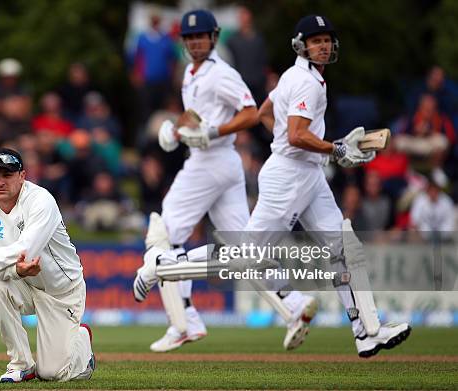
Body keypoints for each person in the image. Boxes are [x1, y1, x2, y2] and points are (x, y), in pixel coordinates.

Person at [137, 14, 411, 358]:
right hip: (291, 175)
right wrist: (335, 148)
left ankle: (367, 331)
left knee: (342, 247)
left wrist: (296, 142)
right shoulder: (307, 83)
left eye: (327, 40)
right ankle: (162, 266)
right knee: (245, 255)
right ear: (302, 45)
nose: (323, 46)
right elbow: (296, 136)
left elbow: (264, 112)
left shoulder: (295, 76)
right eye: (316, 41)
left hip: (306, 173)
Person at [134, 9, 317, 353]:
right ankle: (293, 304)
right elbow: (196, 115)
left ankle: (184, 321)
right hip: (220, 165)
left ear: (214, 37)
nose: (195, 42)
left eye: (201, 36)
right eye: (189, 38)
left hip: (210, 162)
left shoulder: (221, 73)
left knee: (164, 232)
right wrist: (177, 129)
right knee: (245, 247)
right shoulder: (190, 73)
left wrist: (214, 131)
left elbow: (249, 111)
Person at [0, 148, 95, 382]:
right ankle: (21, 364)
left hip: (60, 291)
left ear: (22, 176)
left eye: (7, 175)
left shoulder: (41, 200)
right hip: (22, 282)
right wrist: (15, 269)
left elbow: (25, 250)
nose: (0, 182)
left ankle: (81, 343)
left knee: (52, 373)